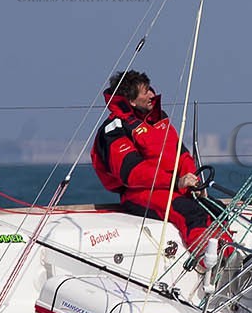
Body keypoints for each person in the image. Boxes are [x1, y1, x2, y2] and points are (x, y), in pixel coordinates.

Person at [90, 69, 218, 256]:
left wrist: (192, 180)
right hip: (139, 193)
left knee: (216, 209)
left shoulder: (160, 119)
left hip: (172, 186)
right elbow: (132, 172)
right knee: (192, 214)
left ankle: (229, 256)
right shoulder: (114, 129)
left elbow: (181, 154)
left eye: (150, 89)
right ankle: (206, 260)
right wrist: (175, 181)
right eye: (145, 92)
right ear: (131, 101)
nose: (152, 95)